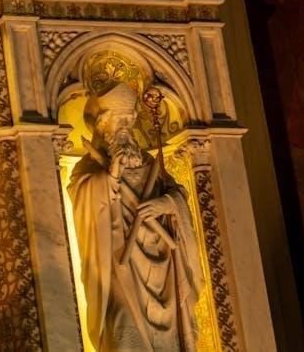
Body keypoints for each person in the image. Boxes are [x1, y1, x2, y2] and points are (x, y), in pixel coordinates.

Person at [68, 83, 204, 352]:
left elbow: (177, 194)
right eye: (119, 120)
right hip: (119, 264)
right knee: (122, 329)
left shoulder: (149, 163)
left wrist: (166, 203)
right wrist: (110, 178)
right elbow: (84, 205)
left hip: (163, 267)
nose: (125, 127)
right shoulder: (89, 166)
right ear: (102, 124)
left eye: (129, 120)